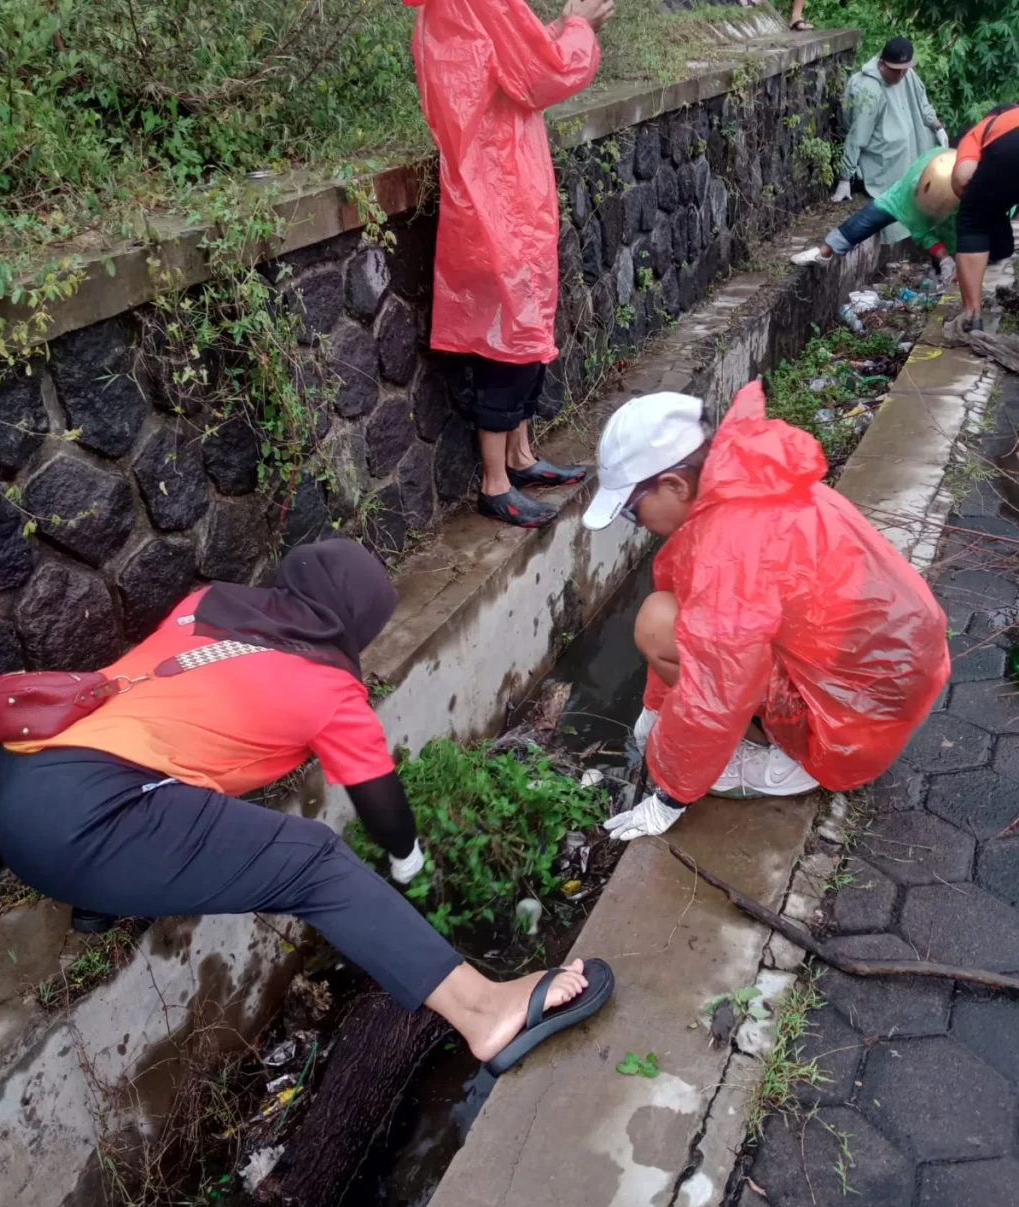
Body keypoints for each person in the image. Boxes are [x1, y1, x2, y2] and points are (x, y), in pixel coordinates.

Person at [0, 541, 612, 1074]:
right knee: (315, 861)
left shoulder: (202, 607)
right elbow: (385, 811)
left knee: (166, 776)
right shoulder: (329, 691)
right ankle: (484, 1010)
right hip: (80, 822)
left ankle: (98, 900)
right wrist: (408, 865)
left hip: (24, 774)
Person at [581, 384, 950, 841]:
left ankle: (785, 763)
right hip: (883, 684)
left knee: (670, 641)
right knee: (663, 617)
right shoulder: (744, 479)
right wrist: (656, 707)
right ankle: (771, 736)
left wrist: (672, 794)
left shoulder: (730, 548)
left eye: (633, 512)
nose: (634, 524)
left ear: (674, 485)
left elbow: (720, 687)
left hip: (848, 731)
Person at [406, 0, 613, 529]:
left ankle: (520, 457)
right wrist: (578, 26)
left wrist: (561, 30)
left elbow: (512, 57)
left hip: (486, 188)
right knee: (511, 339)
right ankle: (495, 482)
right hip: (503, 194)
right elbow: (545, 72)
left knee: (519, 327)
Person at [792, 147, 959, 281]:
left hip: (942, 207)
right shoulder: (927, 169)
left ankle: (945, 274)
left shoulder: (952, 175)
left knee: (952, 244)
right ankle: (824, 252)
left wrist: (946, 259)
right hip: (897, 200)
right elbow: (924, 236)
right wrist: (945, 258)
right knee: (862, 222)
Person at [833, 37, 948, 225]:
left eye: (904, 71)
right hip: (882, 162)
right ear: (882, 64)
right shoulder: (868, 87)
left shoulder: (906, 74)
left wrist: (938, 128)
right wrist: (845, 178)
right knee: (894, 213)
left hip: (911, 153)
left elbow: (923, 104)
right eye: (897, 71)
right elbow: (857, 137)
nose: (901, 76)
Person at [943, 104, 1019, 342]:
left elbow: (963, 177)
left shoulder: (979, 131)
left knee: (971, 218)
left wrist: (974, 199)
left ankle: (971, 317)